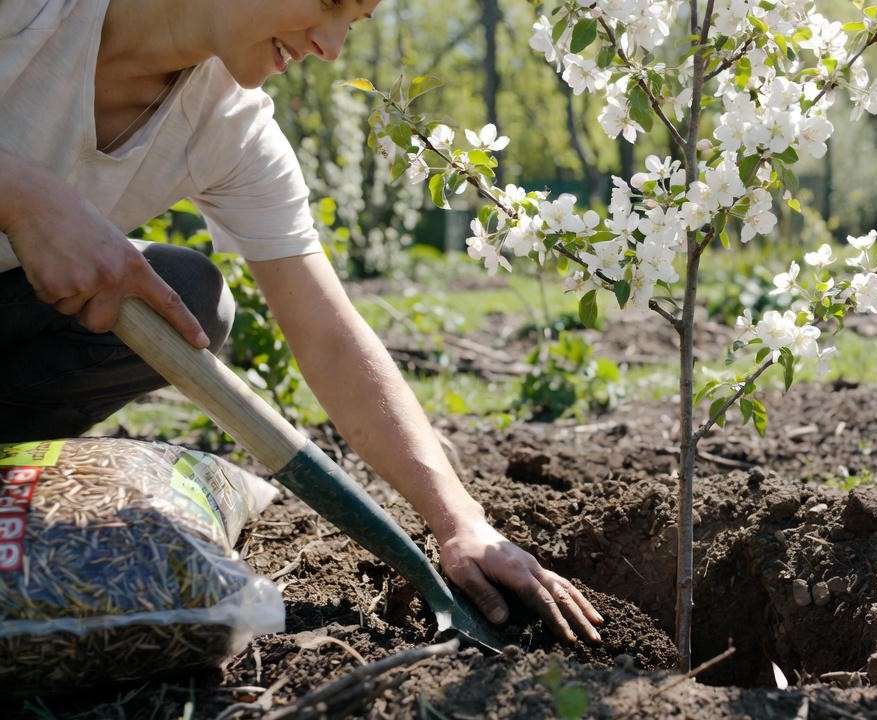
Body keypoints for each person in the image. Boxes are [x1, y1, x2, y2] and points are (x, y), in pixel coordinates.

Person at [0, 0, 602, 644]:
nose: (332, 45)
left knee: (183, 295)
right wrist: (24, 194)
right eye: (329, 2)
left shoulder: (226, 124)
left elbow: (330, 338)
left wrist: (460, 523)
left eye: (356, 21)